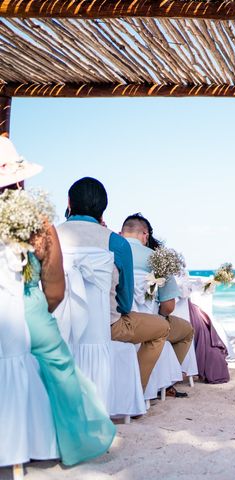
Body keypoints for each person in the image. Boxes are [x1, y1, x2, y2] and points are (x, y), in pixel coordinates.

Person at [0, 140, 115, 466]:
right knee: (62, 367)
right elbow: (55, 290)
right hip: (28, 310)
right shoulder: (38, 225)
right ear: (20, 182)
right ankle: (62, 444)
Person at [56, 177, 170, 393]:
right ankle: (135, 392)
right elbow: (125, 303)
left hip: (57, 325)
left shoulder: (50, 236)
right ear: (103, 209)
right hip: (106, 327)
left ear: (69, 203)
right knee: (162, 328)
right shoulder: (116, 242)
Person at [120, 213, 194, 397]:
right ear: (145, 235)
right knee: (187, 331)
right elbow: (169, 306)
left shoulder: (111, 253)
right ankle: (165, 382)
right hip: (149, 327)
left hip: (115, 322)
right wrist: (156, 313)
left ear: (121, 233)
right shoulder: (156, 258)